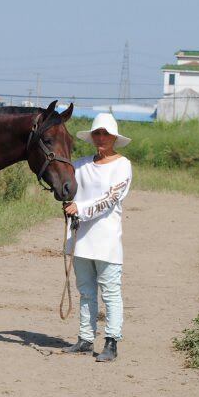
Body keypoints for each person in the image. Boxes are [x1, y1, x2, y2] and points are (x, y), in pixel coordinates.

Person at [61, 113, 132, 362]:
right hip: (81, 237)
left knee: (110, 291)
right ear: (92, 136)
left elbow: (111, 198)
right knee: (86, 291)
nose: (101, 138)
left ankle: (112, 341)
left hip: (107, 239)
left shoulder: (122, 165)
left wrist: (80, 208)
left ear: (114, 137)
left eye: (106, 134)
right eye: (97, 133)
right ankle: (85, 338)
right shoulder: (80, 165)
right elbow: (67, 188)